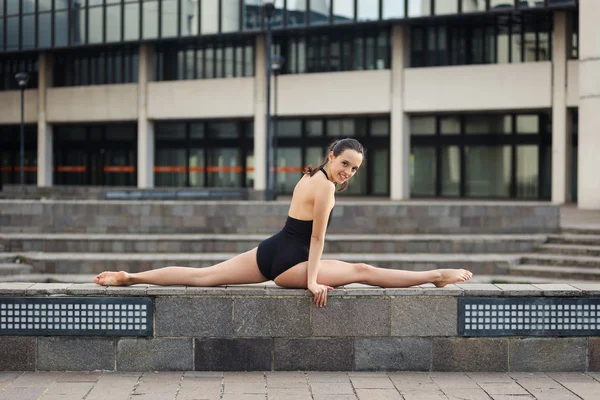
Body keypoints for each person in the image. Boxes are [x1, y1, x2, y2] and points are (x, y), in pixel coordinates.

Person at [93, 138, 472, 307]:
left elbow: (302, 232)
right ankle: (435, 275)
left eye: (354, 169)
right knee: (362, 269)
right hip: (291, 263)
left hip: (273, 249)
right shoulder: (325, 188)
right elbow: (318, 239)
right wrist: (312, 281)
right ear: (331, 156)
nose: (348, 173)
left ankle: (130, 277)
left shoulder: (309, 176)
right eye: (344, 164)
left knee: (202, 275)